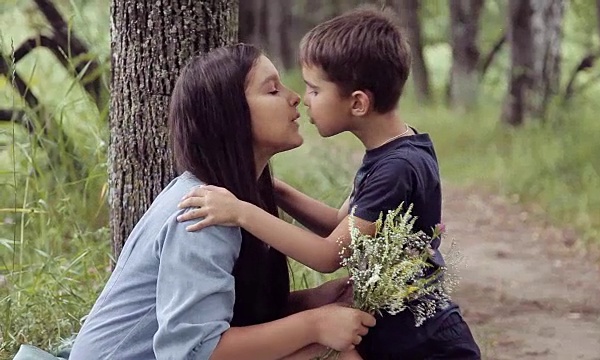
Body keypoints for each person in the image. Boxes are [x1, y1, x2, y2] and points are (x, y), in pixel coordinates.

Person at [176, 6, 482, 360]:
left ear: (357, 103)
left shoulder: (396, 168)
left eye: (314, 90)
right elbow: (341, 227)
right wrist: (277, 190)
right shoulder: (392, 152)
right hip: (395, 329)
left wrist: (243, 212)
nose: (303, 99)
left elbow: (329, 254)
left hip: (423, 340)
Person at [65, 44, 375, 360]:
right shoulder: (202, 213)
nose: (294, 97)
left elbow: (233, 315)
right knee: (329, 351)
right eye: (272, 90)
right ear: (230, 116)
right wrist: (314, 324)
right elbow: (194, 352)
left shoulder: (235, 202)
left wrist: (313, 300)